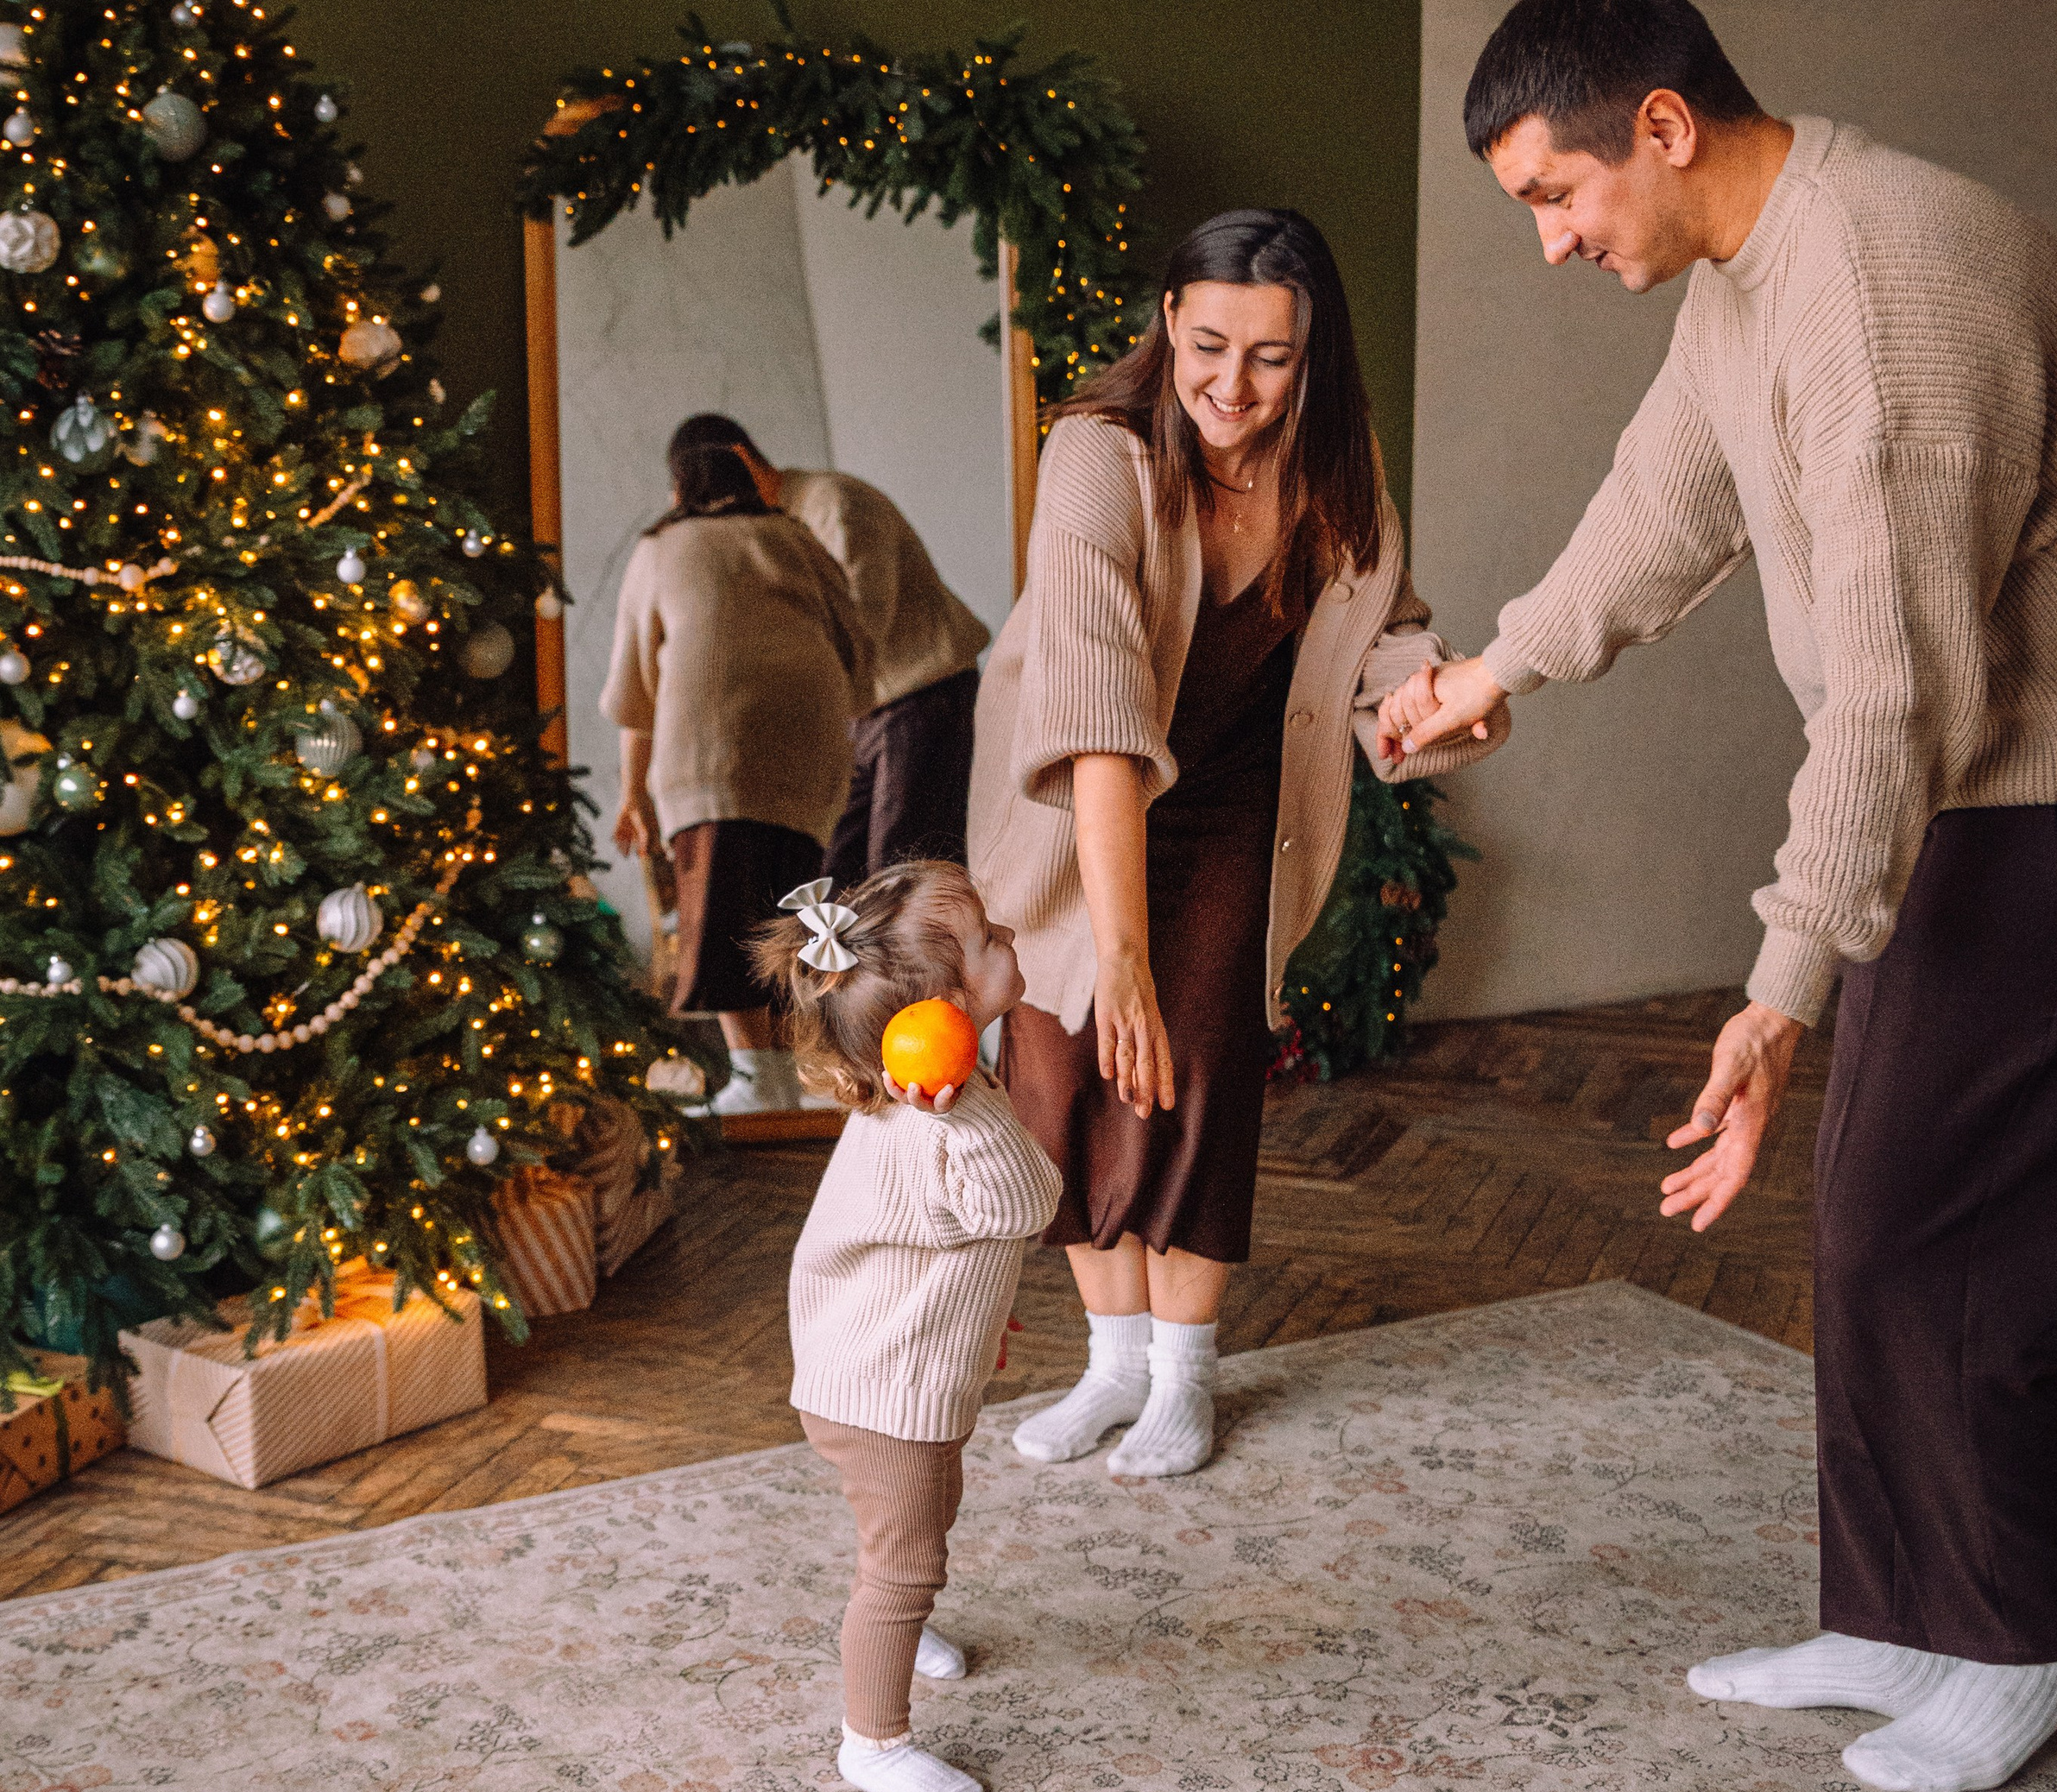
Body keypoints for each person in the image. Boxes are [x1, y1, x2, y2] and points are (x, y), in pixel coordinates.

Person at [1380, 0, 2057, 1792]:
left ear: (1659, 127)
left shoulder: (1888, 292)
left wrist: (1772, 987)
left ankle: (2021, 1638)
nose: (1549, 240)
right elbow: (1663, 497)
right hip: (1965, 806)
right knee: (1865, 1214)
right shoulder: (1749, 269)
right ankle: (1896, 1603)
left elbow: (1893, 693)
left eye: (1554, 194)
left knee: (1950, 1231)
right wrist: (1496, 668)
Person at [971, 206, 1473, 1484]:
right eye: (1206, 345)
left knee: (1192, 1069)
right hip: (1073, 800)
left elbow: (1387, 629)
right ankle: (1113, 1366)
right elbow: (1091, 717)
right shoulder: (1100, 453)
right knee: (1064, 1071)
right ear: (1166, 326)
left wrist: (1437, 692)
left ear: (1315, 355)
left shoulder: (1339, 466)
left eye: (1270, 357)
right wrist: (1116, 949)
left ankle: (1183, 1378)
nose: (1230, 386)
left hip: (1241, 805)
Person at [755, 861, 1062, 1792]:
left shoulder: (918, 1096)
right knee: (907, 1558)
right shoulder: (944, 1117)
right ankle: (872, 1742)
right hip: (882, 1393)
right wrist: (969, 1117)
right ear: (937, 1016)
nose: (1008, 938)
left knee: (919, 1519)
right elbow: (1029, 1204)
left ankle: (897, 1616)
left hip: (874, 1368)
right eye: (987, 943)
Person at [602, 426, 872, 1114]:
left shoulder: (662, 547)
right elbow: (859, 653)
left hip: (711, 751)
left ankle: (758, 1077)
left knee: (721, 910)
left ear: (678, 485)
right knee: (797, 906)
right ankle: (796, 1077)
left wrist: (633, 793)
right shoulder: (798, 539)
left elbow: (636, 693)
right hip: (811, 755)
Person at [687, 416, 993, 880]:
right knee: (834, 877)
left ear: (744, 459)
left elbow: (861, 625)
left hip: (921, 701)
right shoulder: (773, 527)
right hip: (860, 715)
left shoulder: (834, 504)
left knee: (900, 879)